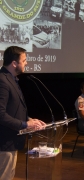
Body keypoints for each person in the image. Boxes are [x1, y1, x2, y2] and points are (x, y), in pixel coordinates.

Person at [0, 46, 46, 180]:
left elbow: (13, 109)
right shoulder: (2, 81)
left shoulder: (11, 79)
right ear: (14, 63)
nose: (26, 63)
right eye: (24, 60)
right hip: (4, 142)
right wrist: (25, 124)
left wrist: (31, 121)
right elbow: (1, 114)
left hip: (12, 141)